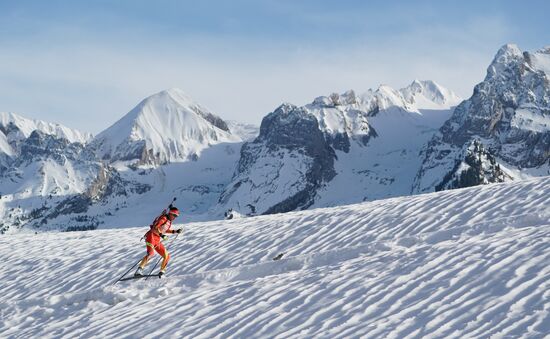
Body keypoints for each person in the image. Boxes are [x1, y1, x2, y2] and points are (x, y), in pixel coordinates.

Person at [135, 206, 182, 277]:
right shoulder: (163, 219)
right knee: (151, 253)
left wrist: (175, 231)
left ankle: (162, 272)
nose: (175, 217)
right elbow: (154, 227)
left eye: (176, 216)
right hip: (151, 236)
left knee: (167, 256)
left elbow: (164, 230)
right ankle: (139, 270)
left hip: (157, 239)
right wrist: (161, 235)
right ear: (170, 213)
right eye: (174, 215)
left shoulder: (169, 222)